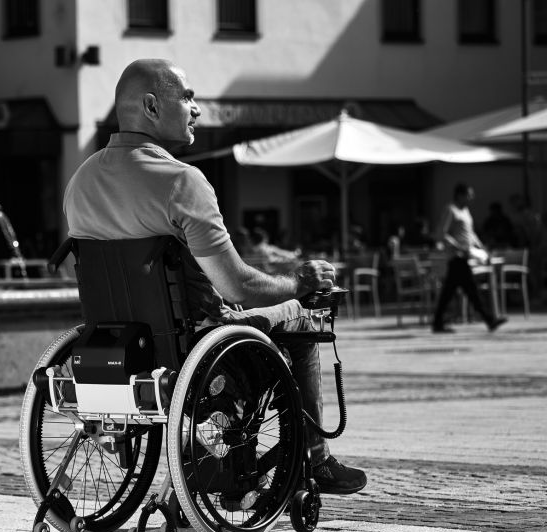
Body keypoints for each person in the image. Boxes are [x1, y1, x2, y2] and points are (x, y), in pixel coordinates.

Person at [63, 59, 366, 495]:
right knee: (302, 317)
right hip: (196, 346)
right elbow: (237, 286)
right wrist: (298, 283)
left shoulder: (81, 180)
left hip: (121, 350)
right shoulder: (182, 182)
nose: (196, 108)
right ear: (151, 106)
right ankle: (314, 460)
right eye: (186, 97)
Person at [431, 183, 507, 334]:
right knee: (468, 290)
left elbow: (470, 233)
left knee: (454, 291)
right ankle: (489, 319)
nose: (472, 197)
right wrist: (458, 247)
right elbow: (441, 234)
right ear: (460, 195)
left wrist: (480, 247)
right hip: (457, 256)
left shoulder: (465, 211)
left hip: (465, 255)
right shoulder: (450, 210)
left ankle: (438, 322)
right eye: (469, 194)